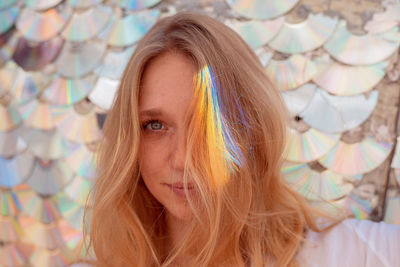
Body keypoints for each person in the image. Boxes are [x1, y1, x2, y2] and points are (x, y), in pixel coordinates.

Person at [83, 11, 400, 267]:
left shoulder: (364, 254)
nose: (181, 159)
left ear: (253, 128)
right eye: (154, 125)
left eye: (208, 124)